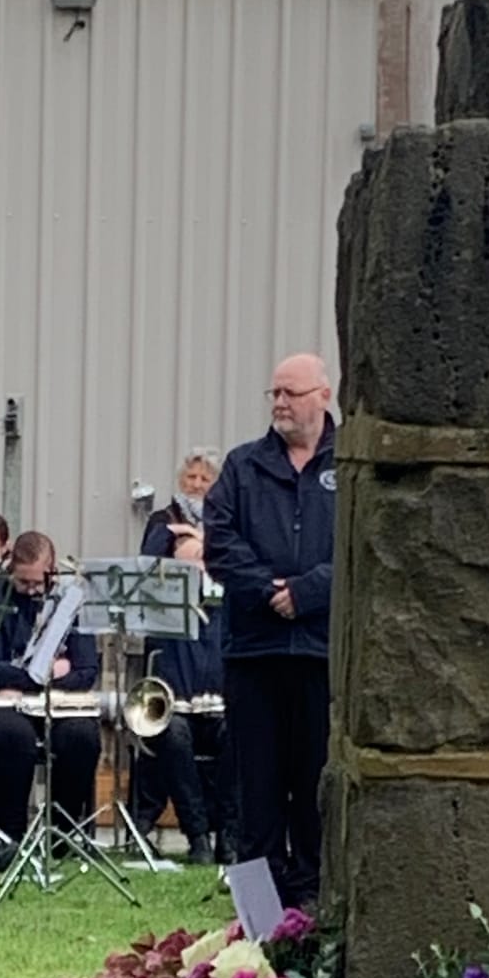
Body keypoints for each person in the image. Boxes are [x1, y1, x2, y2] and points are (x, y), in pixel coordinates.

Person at [203, 353, 337, 904]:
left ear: (322, 396)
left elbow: (367, 544)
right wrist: (268, 590)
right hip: (254, 653)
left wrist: (306, 592)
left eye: (291, 393)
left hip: (321, 652)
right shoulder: (243, 466)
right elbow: (221, 544)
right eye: (274, 394)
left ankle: (310, 902)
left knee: (313, 786)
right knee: (256, 789)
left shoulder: (352, 463)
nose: (280, 403)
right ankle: (256, 914)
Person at [0, 531, 101, 845]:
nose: (33, 590)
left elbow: (87, 670)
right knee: (11, 736)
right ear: (11, 570)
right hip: (4, 710)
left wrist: (23, 679)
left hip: (56, 703)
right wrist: (42, 674)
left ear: (52, 571)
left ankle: (63, 832)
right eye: (24, 582)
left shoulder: (70, 600)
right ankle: (10, 834)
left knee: (82, 736)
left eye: (39, 582)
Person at [133, 451, 228, 863]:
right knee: (173, 737)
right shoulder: (162, 523)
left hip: (222, 700)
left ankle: (232, 836)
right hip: (176, 699)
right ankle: (197, 836)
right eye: (190, 477)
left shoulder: (228, 521)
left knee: (240, 737)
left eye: (204, 478)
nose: (196, 484)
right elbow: (147, 567)